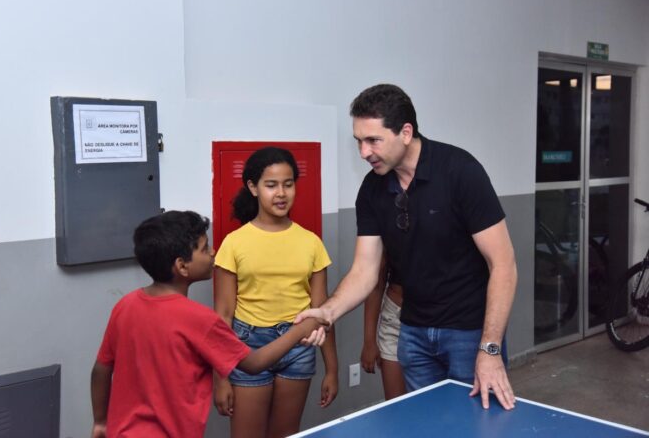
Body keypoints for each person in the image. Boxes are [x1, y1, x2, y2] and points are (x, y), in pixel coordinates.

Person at [296, 84, 518, 410]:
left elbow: (504, 264)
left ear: (405, 132)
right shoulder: (372, 189)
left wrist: (490, 348)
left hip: (469, 333)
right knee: (424, 425)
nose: (364, 152)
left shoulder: (460, 170)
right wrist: (328, 312)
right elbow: (365, 271)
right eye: (358, 141)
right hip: (413, 332)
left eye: (373, 140)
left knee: (474, 426)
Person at [90, 210, 324, 438]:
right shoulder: (199, 319)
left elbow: (101, 369)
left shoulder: (125, 305)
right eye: (204, 249)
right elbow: (254, 364)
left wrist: (100, 422)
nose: (212, 252)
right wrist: (302, 328)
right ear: (182, 266)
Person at [214, 147, 338, 438]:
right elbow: (223, 316)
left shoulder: (311, 242)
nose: (281, 193)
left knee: (286, 433)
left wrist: (332, 369)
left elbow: (322, 312)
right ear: (253, 187)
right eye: (271, 185)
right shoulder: (234, 243)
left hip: (299, 345)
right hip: (247, 347)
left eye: (288, 184)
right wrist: (220, 378)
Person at [360, 253, 406, 400]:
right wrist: (369, 341)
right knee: (396, 405)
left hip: (440, 319)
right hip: (395, 316)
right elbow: (376, 283)